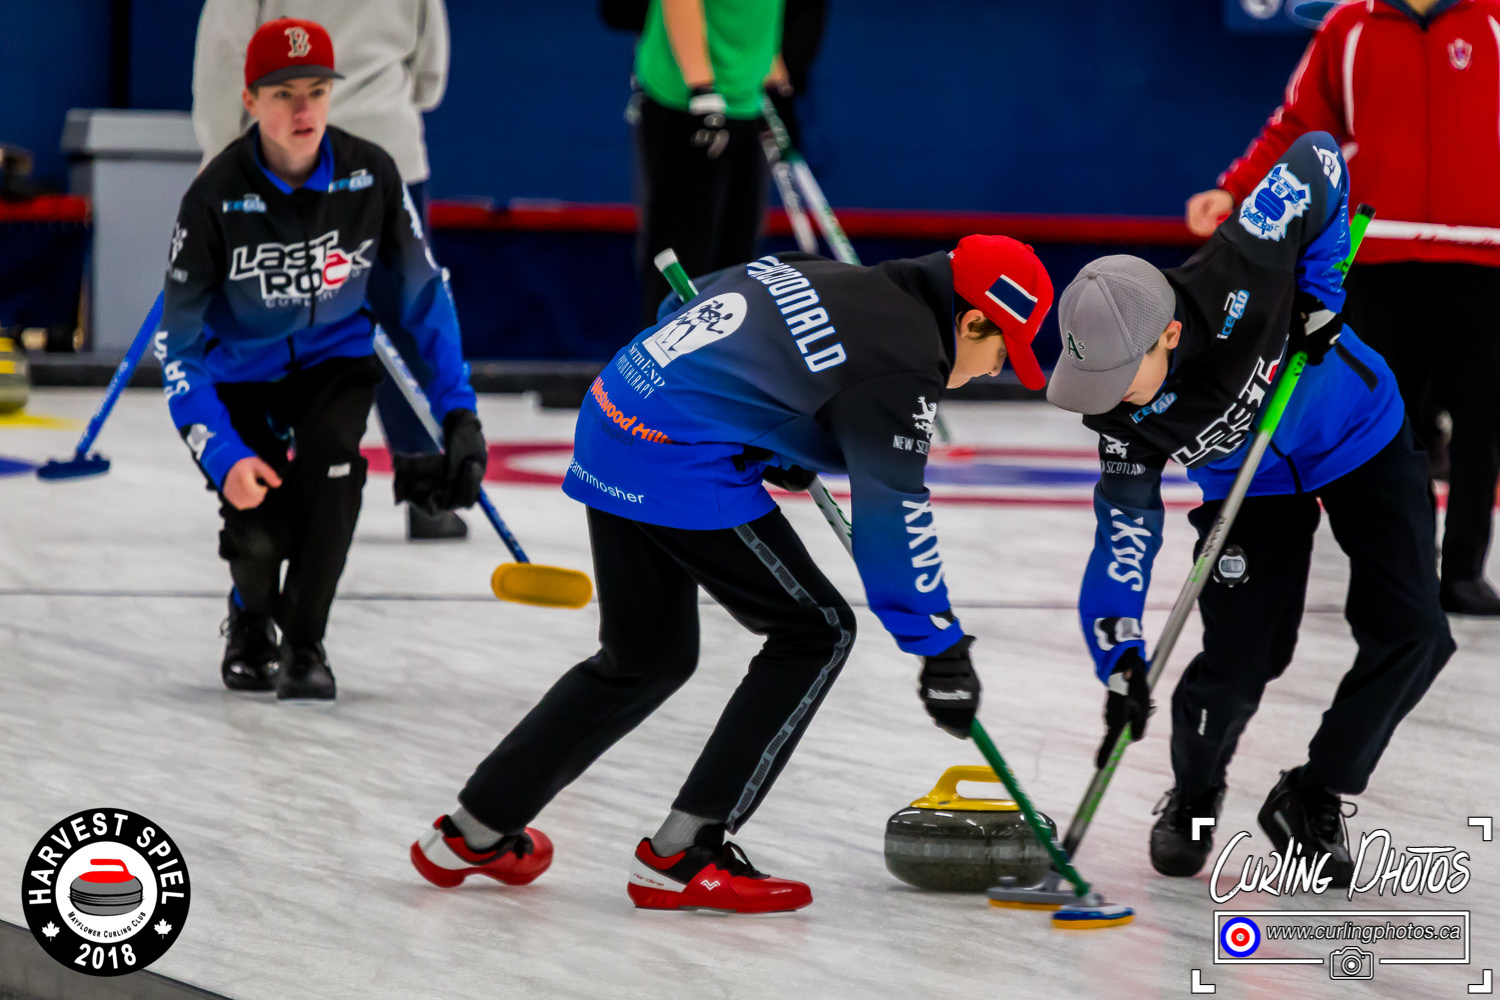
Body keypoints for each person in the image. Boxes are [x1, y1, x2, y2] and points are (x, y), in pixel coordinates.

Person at [410, 236, 1055, 912]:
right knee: (817, 632)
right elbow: (893, 517)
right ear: (972, 321)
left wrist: (774, 431)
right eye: (1001, 351)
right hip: (674, 456)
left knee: (645, 657)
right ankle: (684, 853)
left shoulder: (830, 274)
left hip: (613, 417)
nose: (994, 369)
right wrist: (941, 648)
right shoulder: (905, 363)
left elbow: (690, 306)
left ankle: (473, 831)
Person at [1050, 133, 1453, 887]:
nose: (1107, 400)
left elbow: (1318, 158)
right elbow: (1124, 538)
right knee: (1242, 661)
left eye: (1118, 377)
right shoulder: (1119, 417)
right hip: (1251, 490)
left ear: (1169, 335)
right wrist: (1120, 657)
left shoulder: (1241, 264)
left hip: (1361, 432)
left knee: (1415, 633)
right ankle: (1194, 798)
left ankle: (1314, 792)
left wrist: (1322, 295)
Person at [160, 18, 484, 700]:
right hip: (240, 375)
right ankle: (250, 618)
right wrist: (222, 455)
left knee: (334, 480)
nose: (303, 109)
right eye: (283, 94)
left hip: (333, 360)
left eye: (316, 90)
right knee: (260, 536)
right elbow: (180, 353)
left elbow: (426, 297)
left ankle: (305, 644)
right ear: (249, 100)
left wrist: (459, 413)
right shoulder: (213, 197)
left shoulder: (372, 174)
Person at [1184, 0, 1500, 615]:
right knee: (1389, 424)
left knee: (1482, 421)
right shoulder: (1348, 27)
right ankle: (1405, 569)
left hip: (1483, 252)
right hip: (1377, 251)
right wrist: (1236, 187)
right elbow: (1301, 126)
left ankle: (1464, 572)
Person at [191, 0, 468, 541]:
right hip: (387, 147)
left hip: (285, 154)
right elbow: (430, 68)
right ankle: (428, 488)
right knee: (406, 317)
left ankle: (275, 479)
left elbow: (225, 53)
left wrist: (220, 150)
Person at [631, 0, 784, 327]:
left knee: (736, 261)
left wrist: (771, 72)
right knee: (684, 257)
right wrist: (701, 87)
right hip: (686, 100)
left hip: (747, 100)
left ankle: (721, 355)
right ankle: (667, 355)